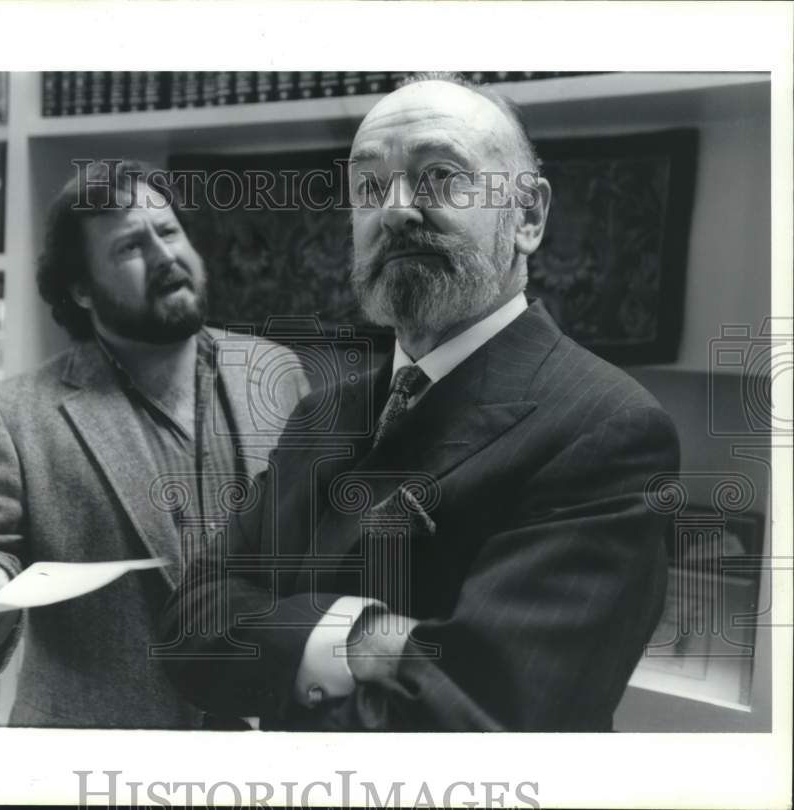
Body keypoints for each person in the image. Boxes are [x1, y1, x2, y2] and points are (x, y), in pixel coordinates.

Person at [160, 76, 681, 731]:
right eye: (370, 187)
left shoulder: (608, 430)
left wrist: (280, 638)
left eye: (439, 175)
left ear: (527, 216)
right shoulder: (324, 412)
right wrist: (361, 637)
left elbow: (478, 721)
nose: (397, 210)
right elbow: (190, 622)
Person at [0, 161, 310, 728]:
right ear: (80, 289)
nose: (165, 256)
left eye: (169, 232)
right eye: (129, 247)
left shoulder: (274, 369)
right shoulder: (17, 413)